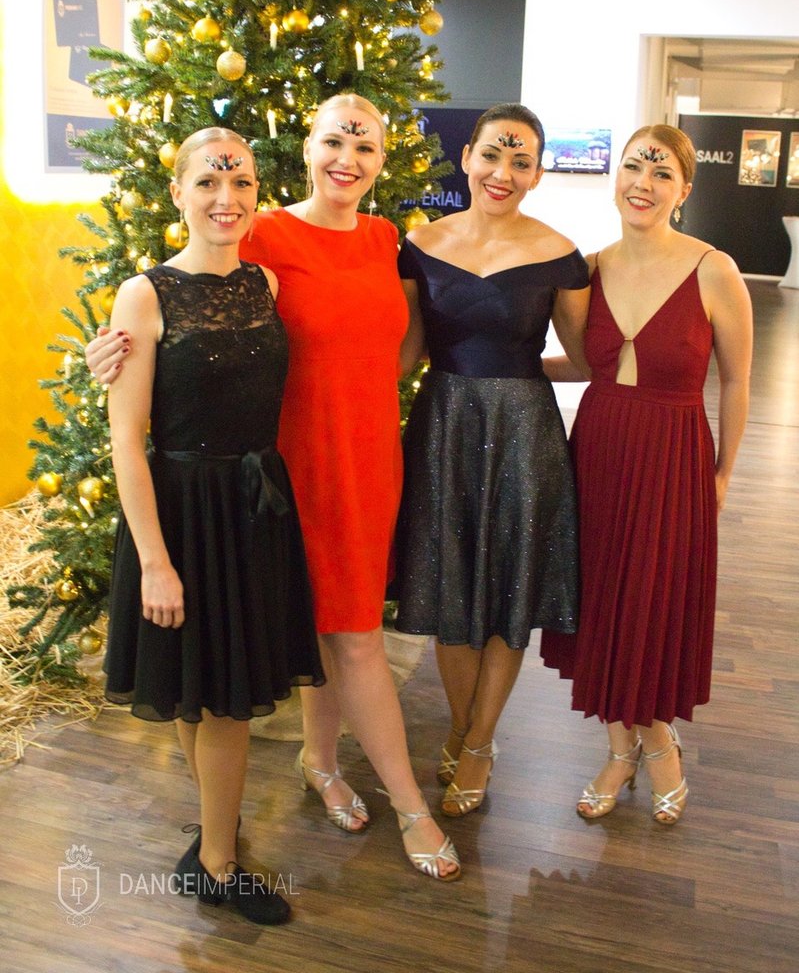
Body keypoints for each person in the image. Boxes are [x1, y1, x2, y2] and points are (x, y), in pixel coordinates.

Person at [88, 95, 460, 882]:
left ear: (383, 157)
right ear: (306, 147)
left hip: (367, 458)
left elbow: (404, 340)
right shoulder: (261, 233)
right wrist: (105, 353)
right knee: (348, 635)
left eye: (364, 146)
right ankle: (408, 807)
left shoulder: (384, 239)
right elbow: (184, 289)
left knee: (325, 626)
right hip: (284, 467)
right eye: (332, 141)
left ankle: (318, 762)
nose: (346, 159)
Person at [103, 127, 324, 925]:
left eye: (241, 183)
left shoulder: (266, 279)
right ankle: (220, 864)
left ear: (258, 191)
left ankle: (213, 839)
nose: (225, 198)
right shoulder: (144, 295)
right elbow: (126, 439)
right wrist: (155, 562)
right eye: (207, 182)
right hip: (182, 513)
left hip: (253, 508)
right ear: (178, 194)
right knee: (214, 696)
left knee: (214, 689)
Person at [541, 124, 752, 826]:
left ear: (683, 190)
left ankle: (658, 743)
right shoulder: (587, 270)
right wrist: (498, 365)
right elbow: (582, 363)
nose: (643, 182)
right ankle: (618, 747)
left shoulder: (713, 269)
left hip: (673, 453)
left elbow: (737, 380)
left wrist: (722, 474)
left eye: (661, 173)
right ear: (616, 177)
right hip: (599, 447)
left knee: (653, 601)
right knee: (603, 598)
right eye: (634, 166)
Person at [394, 103, 591, 817]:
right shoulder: (419, 246)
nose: (502, 172)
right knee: (449, 585)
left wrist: (516, 377)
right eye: (492, 155)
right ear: (467, 157)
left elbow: (584, 360)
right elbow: (406, 352)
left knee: (509, 589)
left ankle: (478, 743)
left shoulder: (559, 255)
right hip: (443, 427)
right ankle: (462, 728)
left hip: (523, 436)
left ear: (536, 174)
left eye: (520, 161)